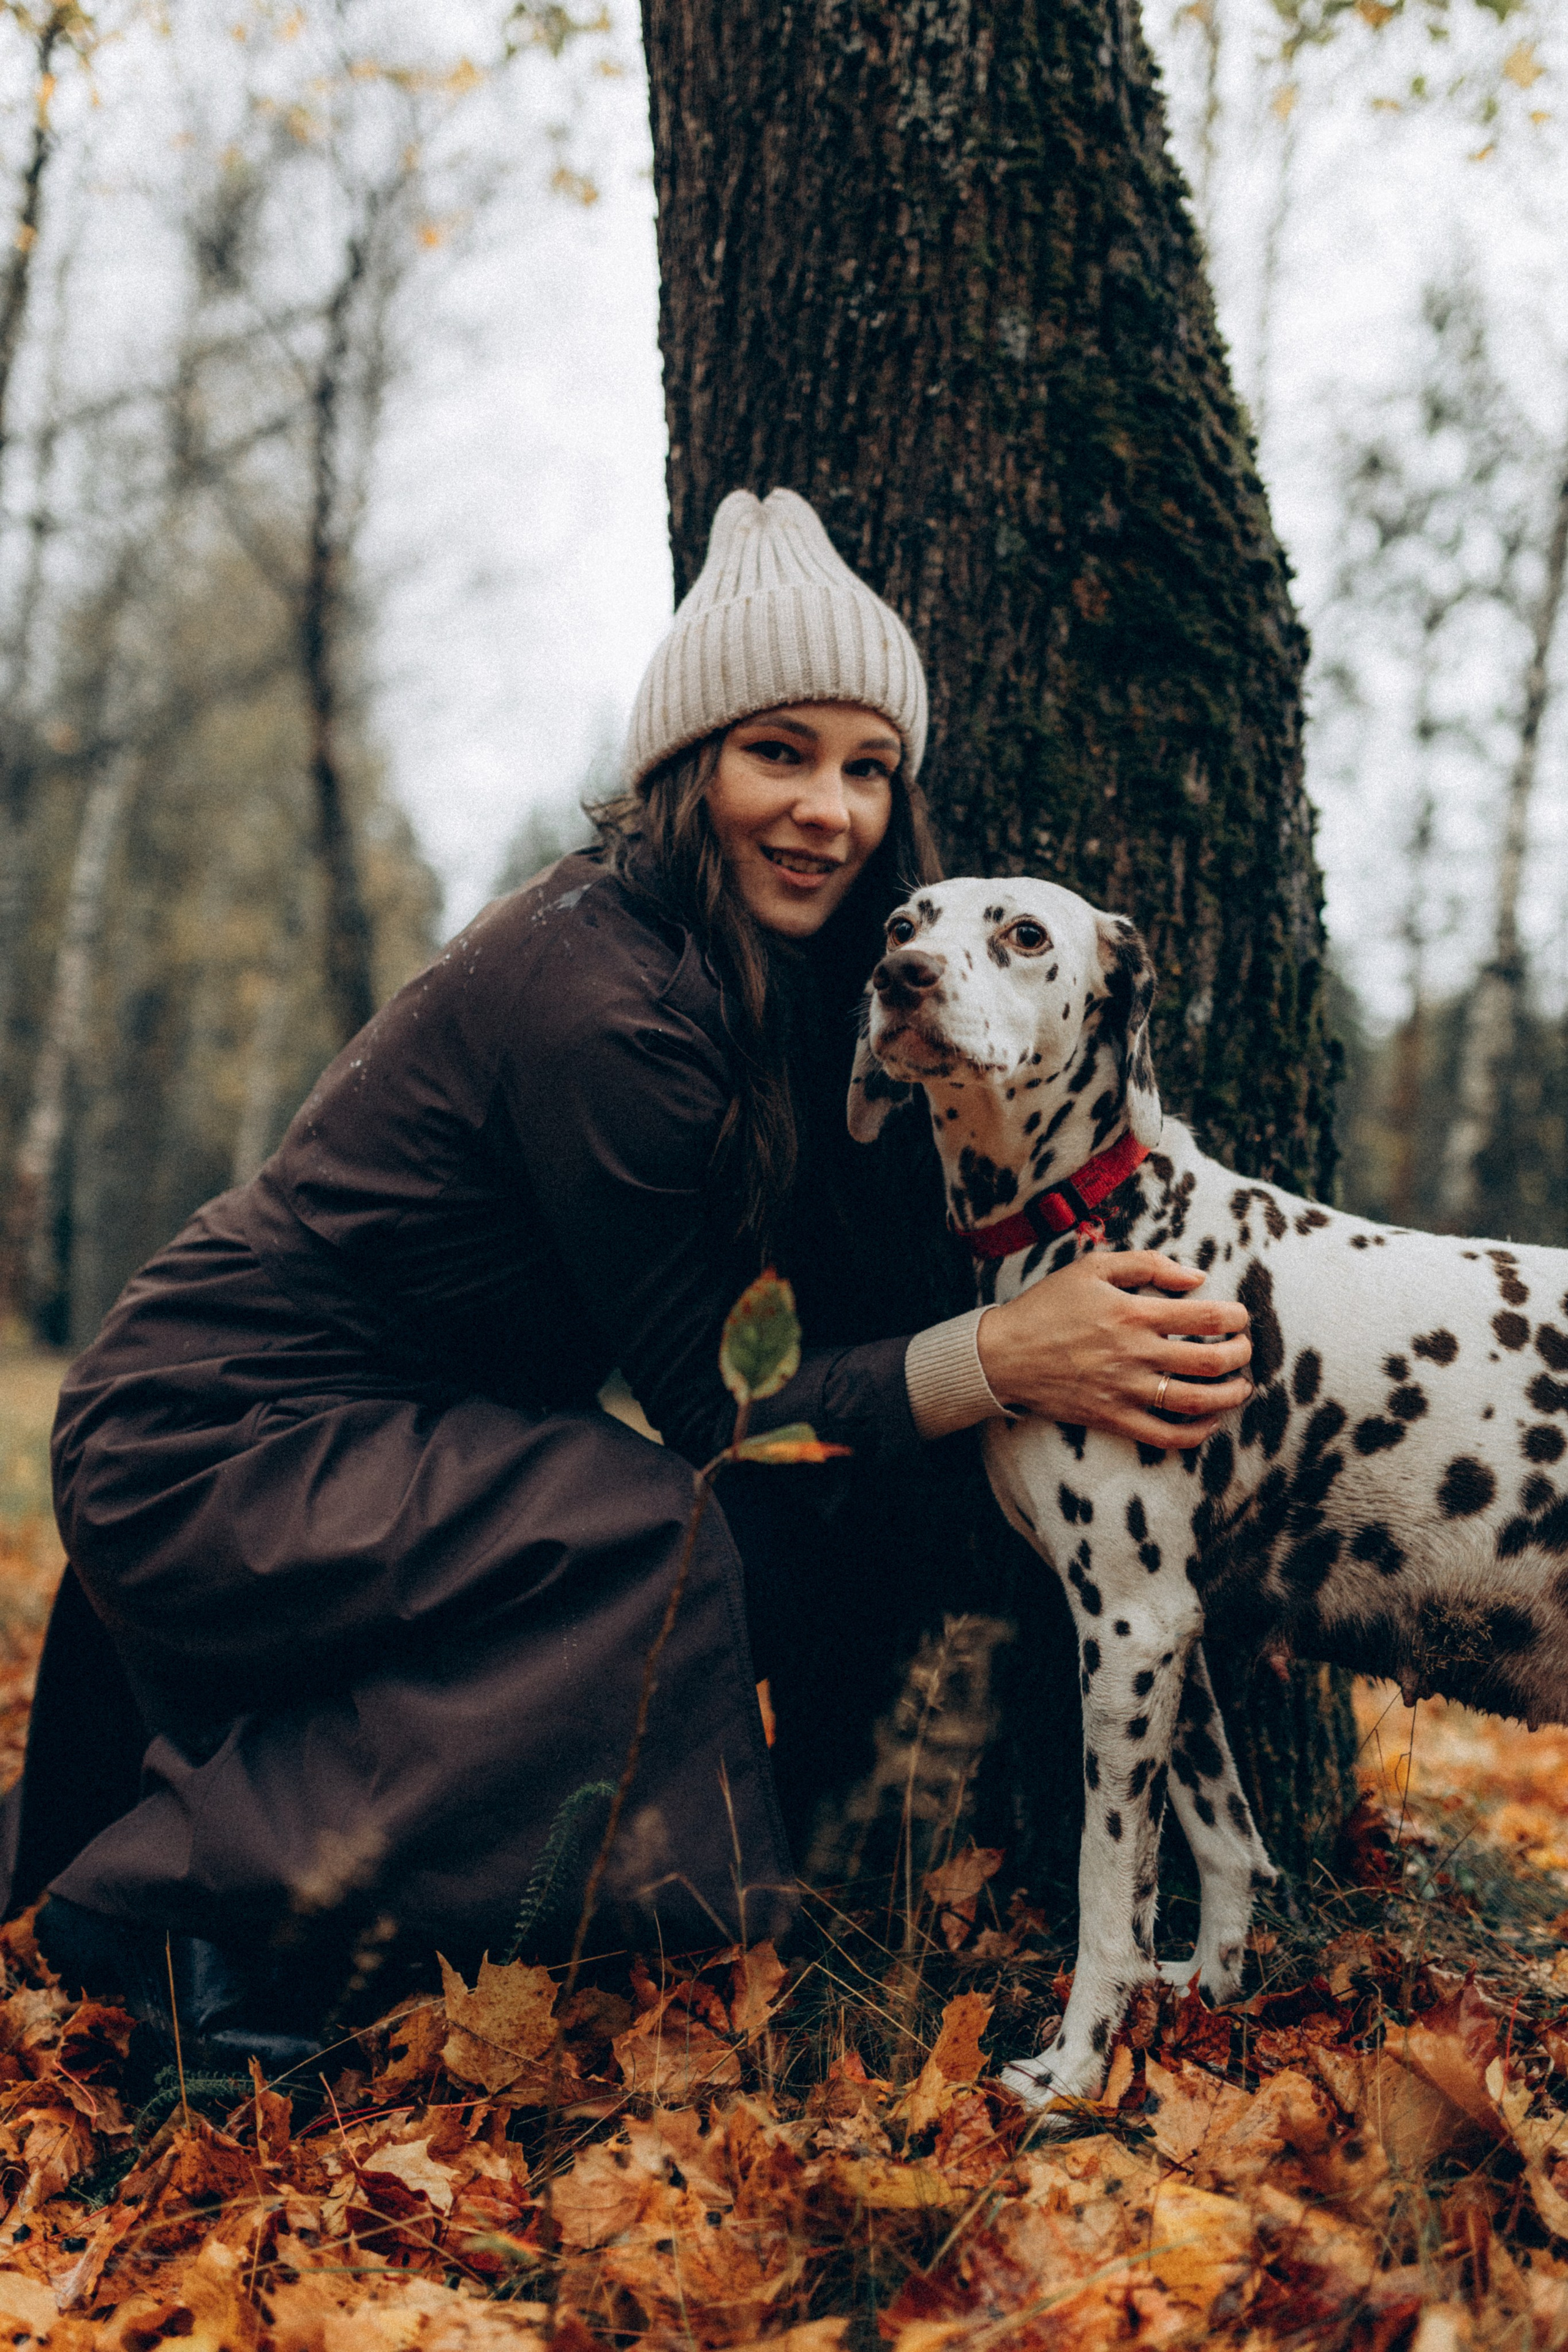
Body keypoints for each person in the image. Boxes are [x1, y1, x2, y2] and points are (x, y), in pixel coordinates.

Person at [2, 490, 1251, 2068]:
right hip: (215, 1432)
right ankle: (200, 1920)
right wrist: (1005, 1354)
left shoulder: (792, 975)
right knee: (652, 1529)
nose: (830, 810)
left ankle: (262, 1853)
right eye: (779, 752)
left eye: (871, 767)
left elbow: (842, 1328)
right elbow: (732, 1417)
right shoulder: (604, 995)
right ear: (687, 765)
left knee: (683, 1516)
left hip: (392, 1430)